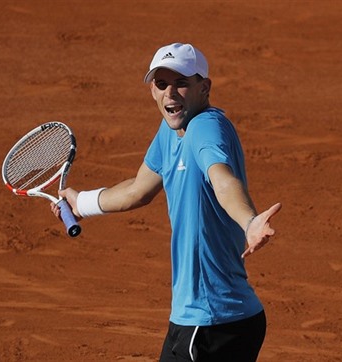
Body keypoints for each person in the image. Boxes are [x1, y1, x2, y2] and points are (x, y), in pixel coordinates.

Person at [52, 42, 282, 362]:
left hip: (213, 325)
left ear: (204, 87)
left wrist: (250, 221)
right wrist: (84, 203)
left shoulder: (204, 128)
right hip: (199, 321)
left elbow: (223, 180)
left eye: (181, 83)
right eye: (161, 84)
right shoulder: (170, 130)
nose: (170, 94)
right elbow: (139, 190)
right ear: (152, 90)